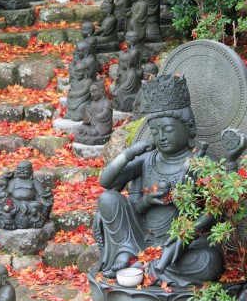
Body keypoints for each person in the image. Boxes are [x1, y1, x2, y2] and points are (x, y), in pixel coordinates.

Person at [93, 74, 227, 286]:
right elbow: (106, 182)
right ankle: (126, 255)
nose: (161, 136)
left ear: (188, 127)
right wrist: (129, 153)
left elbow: (216, 208)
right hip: (142, 238)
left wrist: (187, 231)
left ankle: (148, 268)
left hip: (183, 245)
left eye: (168, 129)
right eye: (155, 131)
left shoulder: (202, 162)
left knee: (208, 261)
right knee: (108, 198)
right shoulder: (148, 160)